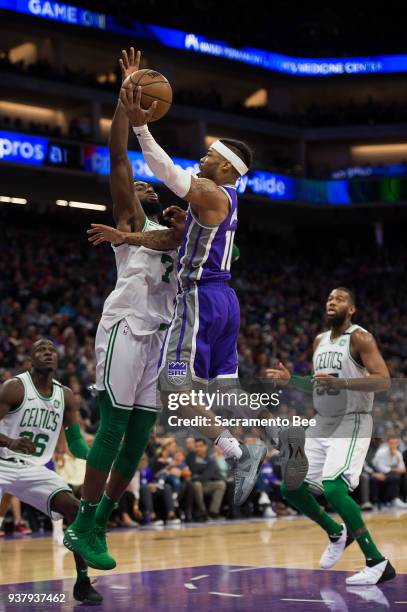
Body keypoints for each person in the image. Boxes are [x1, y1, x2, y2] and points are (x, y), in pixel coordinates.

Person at [115, 58, 307, 508]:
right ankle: (278, 438)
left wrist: (141, 128)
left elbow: (167, 173)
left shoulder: (210, 191)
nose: (202, 159)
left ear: (227, 168)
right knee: (225, 389)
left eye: (210, 156)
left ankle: (238, 452)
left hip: (200, 302)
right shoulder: (224, 199)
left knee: (172, 386)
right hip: (225, 303)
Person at [64, 48, 179, 570]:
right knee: (111, 427)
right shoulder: (129, 222)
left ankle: (100, 521)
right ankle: (84, 521)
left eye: (146, 184)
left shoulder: (182, 232)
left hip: (160, 335)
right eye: (134, 185)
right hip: (125, 326)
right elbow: (116, 156)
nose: (139, 185)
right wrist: (124, 98)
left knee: (138, 436)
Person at [267, 287, 396, 585]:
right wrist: (292, 381)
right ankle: (335, 531)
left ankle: (377, 562)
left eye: (338, 299)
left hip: (351, 421)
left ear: (351, 309)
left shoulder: (360, 338)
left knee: (335, 489)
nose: (331, 302)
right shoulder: (319, 341)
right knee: (291, 486)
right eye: (328, 299)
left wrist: (345, 385)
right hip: (322, 422)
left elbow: (384, 380)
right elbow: (319, 384)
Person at [0, 339, 101, 604]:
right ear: (30, 361)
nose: (48, 353)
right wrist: (10, 442)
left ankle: (82, 582)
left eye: (52, 350)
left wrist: (97, 457)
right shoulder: (14, 388)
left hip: (34, 468)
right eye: (40, 351)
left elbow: (76, 443)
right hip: (2, 463)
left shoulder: (65, 395)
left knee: (74, 508)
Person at [187, 438, 226, 520]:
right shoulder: (190, 457)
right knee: (197, 484)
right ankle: (203, 512)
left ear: (205, 447)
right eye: (196, 446)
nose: (198, 448)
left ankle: (213, 512)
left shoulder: (210, 460)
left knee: (221, 484)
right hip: (193, 485)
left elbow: (206, 476)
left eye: (200, 446)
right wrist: (194, 477)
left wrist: (195, 477)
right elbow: (189, 470)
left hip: (205, 483)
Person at [372, 433, 407, 507]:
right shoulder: (381, 452)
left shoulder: (398, 453)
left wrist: (396, 456)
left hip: (391, 473)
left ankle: (397, 499)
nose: (393, 445)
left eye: (395, 443)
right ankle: (391, 500)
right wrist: (394, 469)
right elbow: (380, 467)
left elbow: (402, 469)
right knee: (394, 476)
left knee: (397, 476)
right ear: (388, 443)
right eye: (391, 443)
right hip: (377, 471)